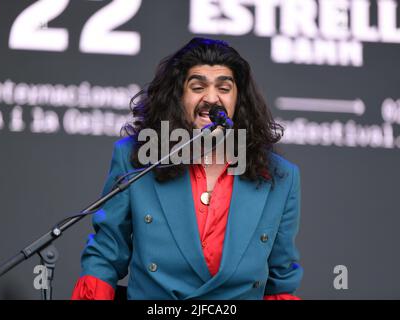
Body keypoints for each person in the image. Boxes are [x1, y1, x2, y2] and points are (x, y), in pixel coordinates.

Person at [71, 37, 303, 300]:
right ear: (178, 96)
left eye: (224, 88)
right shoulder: (137, 158)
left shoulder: (280, 177)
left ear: (239, 101)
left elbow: (280, 281)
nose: (211, 98)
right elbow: (106, 253)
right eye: (198, 86)